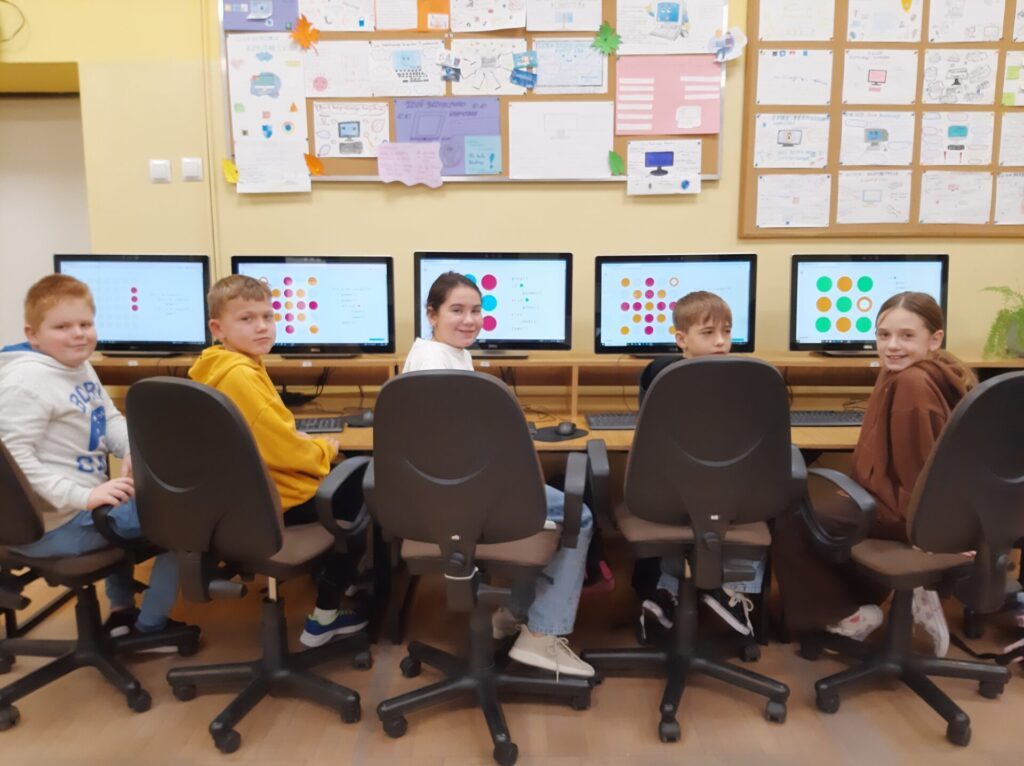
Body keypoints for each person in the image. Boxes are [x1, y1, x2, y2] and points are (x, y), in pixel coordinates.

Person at [403, 271, 595, 678]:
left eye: (476, 310)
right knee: (579, 513)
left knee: (551, 499)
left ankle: (513, 614)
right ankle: (541, 633)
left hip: (452, 490)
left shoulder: (447, 355)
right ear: (432, 314)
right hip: (463, 496)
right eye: (457, 310)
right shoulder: (434, 365)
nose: (469, 320)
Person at [773, 291, 976, 657]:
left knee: (790, 515)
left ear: (935, 339)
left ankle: (849, 615)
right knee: (819, 507)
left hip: (907, 516)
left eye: (906, 336)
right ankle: (892, 594)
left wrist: (928, 534)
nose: (892, 346)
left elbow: (920, 473)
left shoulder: (912, 385)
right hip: (908, 507)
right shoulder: (916, 372)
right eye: (884, 335)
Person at [0, 274, 189, 640]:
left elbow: (109, 419)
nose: (78, 334)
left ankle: (121, 611)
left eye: (85, 324)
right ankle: (149, 629)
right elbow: (14, 466)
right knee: (186, 515)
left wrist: (132, 448)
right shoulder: (25, 382)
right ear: (32, 334)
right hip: (55, 526)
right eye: (62, 327)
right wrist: (83, 496)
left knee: (128, 497)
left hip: (79, 509)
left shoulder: (76, 365)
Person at [188, 275, 366, 647]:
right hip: (271, 502)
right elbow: (282, 452)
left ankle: (332, 578)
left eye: (267, 317)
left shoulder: (220, 366)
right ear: (217, 329)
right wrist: (324, 449)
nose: (262, 327)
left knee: (346, 480)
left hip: (239, 500)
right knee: (365, 490)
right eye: (247, 319)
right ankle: (326, 613)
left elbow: (265, 434)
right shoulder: (240, 376)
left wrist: (298, 439)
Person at [632, 291, 767, 643]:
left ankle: (668, 591)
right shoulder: (745, 380)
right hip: (719, 502)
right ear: (681, 339)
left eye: (727, 331)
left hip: (670, 499)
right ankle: (731, 592)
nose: (721, 341)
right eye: (708, 333)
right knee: (770, 499)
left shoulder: (658, 374)